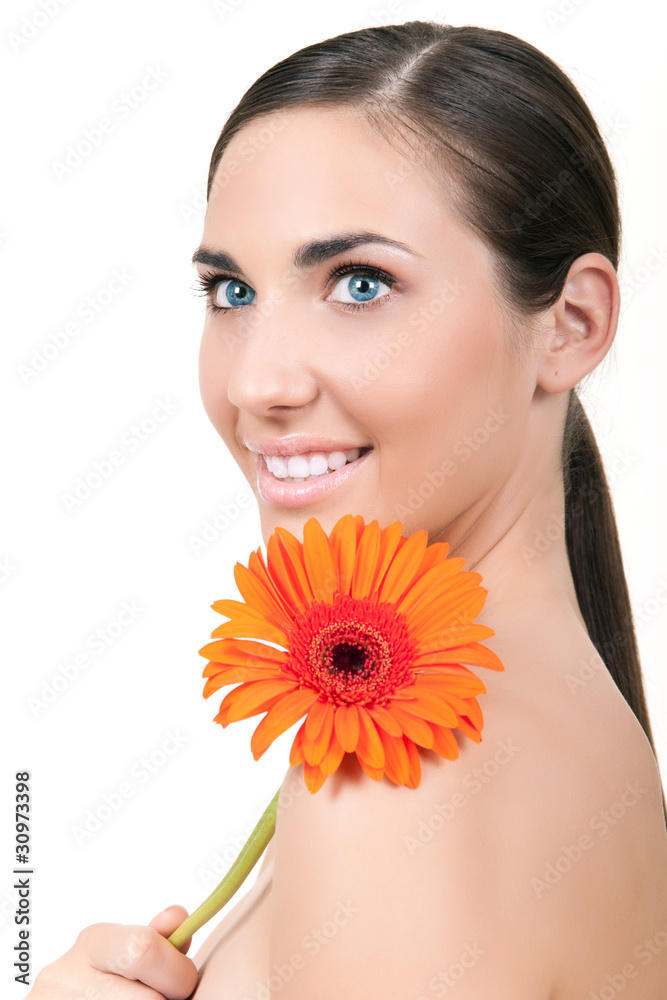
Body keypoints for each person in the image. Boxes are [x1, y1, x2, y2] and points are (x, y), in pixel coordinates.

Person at [28, 20, 667, 1000]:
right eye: (231, 289)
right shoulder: (578, 728)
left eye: (360, 283)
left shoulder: (403, 761)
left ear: (571, 325)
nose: (259, 381)